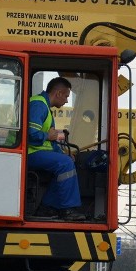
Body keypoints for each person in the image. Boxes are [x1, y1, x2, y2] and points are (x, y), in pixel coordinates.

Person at [27, 77, 84, 221]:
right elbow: (30, 134)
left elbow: (50, 143)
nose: (65, 101)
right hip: (27, 153)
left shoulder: (45, 107)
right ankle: (68, 209)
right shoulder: (38, 105)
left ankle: (46, 208)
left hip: (36, 151)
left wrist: (63, 154)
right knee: (64, 164)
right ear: (58, 93)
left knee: (65, 163)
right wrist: (47, 136)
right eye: (65, 96)